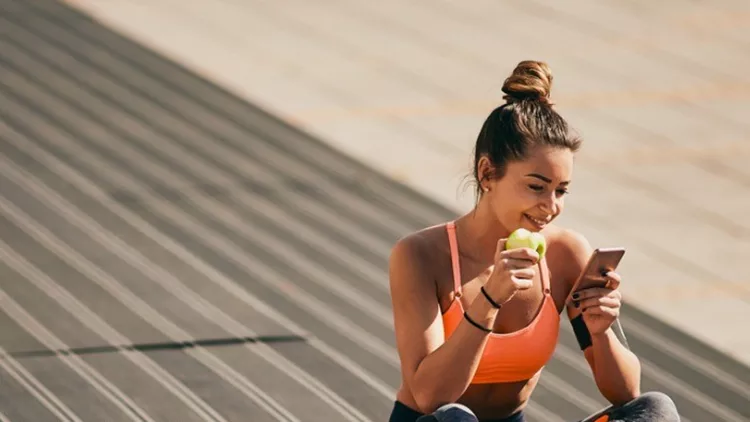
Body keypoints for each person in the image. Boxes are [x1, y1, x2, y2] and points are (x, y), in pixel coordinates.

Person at [387, 60, 680, 422]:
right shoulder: (420, 255)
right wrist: (489, 301)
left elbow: (625, 393)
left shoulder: (566, 255)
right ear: (487, 173)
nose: (551, 206)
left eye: (562, 191)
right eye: (536, 187)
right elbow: (430, 397)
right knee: (455, 419)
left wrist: (602, 333)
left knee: (655, 411)